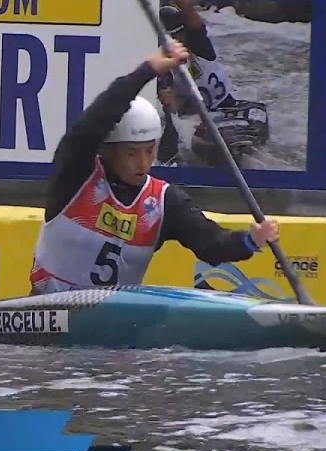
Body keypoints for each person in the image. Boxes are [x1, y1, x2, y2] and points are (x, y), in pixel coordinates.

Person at [28, 42, 280, 296]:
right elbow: (91, 124)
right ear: (107, 150)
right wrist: (148, 70)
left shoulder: (162, 202)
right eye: (131, 153)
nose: (143, 163)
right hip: (47, 314)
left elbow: (211, 243)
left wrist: (250, 240)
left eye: (149, 151)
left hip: (108, 324)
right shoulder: (76, 178)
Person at [156, 0, 270, 167]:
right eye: (172, 39)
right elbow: (172, 113)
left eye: (180, 36)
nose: (178, 42)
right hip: (196, 122)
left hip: (228, 109)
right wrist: (168, 102)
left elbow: (190, 14)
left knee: (256, 114)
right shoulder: (161, 69)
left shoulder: (200, 47)